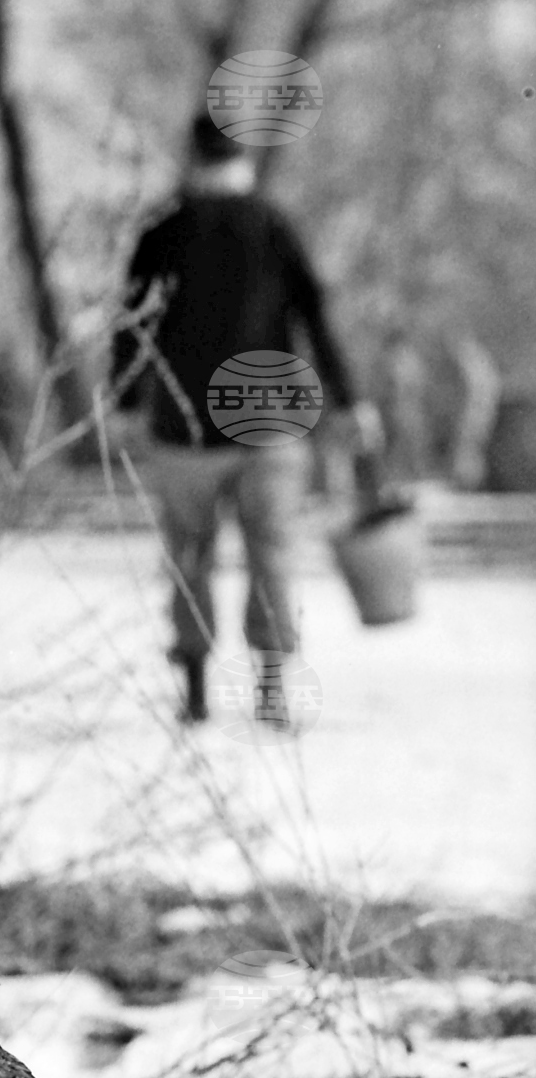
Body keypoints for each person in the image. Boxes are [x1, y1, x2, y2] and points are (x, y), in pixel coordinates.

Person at [110, 113, 382, 725]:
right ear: (243, 159)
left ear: (191, 157)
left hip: (183, 433)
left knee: (189, 556)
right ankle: (273, 687)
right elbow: (316, 315)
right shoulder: (272, 225)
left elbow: (131, 325)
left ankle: (195, 688)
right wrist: (348, 398)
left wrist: (124, 403)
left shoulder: (162, 232)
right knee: (272, 553)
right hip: (270, 429)